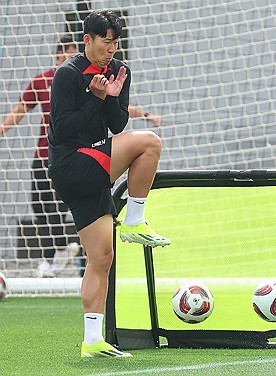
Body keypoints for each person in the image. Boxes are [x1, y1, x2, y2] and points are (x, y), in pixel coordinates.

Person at [48, 10, 170, 358]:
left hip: (94, 164)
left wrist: (113, 96)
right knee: (149, 142)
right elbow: (64, 129)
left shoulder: (118, 70)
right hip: (72, 163)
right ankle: (135, 218)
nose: (112, 48)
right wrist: (96, 98)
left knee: (102, 256)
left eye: (116, 41)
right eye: (106, 41)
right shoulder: (67, 74)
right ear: (87, 40)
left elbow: (116, 126)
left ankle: (91, 340)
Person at [0, 34, 162, 278]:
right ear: (57, 55)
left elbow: (119, 110)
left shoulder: (98, 76)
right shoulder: (47, 79)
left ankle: (71, 253)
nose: (70, 57)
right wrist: (2, 129)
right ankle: (53, 255)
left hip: (85, 155)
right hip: (47, 155)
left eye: (73, 52)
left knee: (79, 213)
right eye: (66, 53)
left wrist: (146, 114)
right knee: (42, 207)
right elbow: (21, 108)